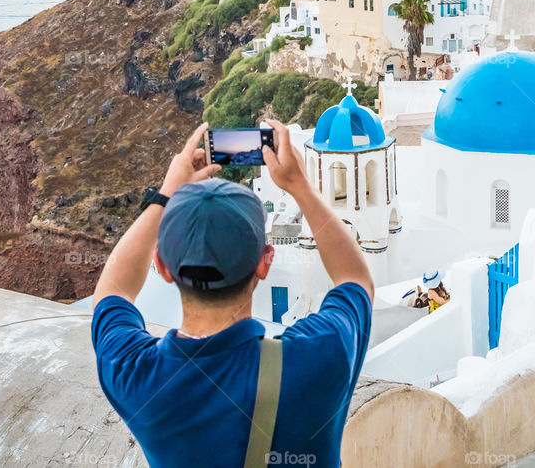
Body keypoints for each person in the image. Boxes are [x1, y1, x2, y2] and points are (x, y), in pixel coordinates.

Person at [90, 122, 374, 468]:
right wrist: (300, 186)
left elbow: (113, 290)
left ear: (162, 267)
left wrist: (165, 196)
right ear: (265, 263)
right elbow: (355, 279)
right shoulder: (320, 354)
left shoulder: (135, 375)